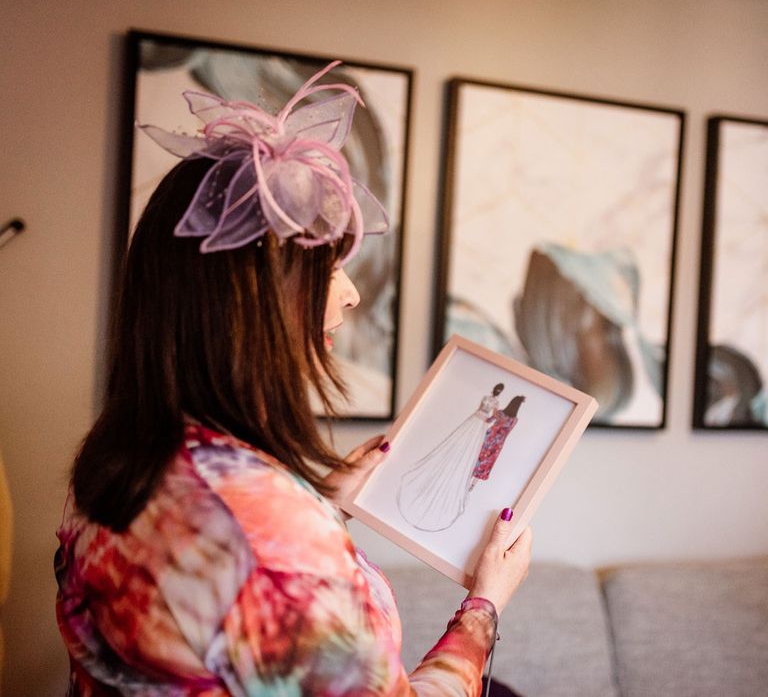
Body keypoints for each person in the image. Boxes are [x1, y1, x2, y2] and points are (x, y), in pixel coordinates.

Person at [55, 62, 532, 695]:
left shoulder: (115, 462)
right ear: (257, 299)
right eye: (329, 271)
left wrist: (324, 505)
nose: (353, 295)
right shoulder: (268, 533)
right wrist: (483, 607)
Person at [396, 383, 505, 532]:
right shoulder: (492, 401)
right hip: (478, 421)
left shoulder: (491, 400)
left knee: (468, 449)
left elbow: (488, 413)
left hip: (477, 421)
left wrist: (488, 418)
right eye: (498, 390)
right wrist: (490, 419)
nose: (497, 392)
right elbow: (491, 414)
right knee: (463, 446)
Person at [469, 396, 525, 491]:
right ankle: (472, 486)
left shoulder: (500, 413)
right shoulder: (514, 420)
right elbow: (507, 430)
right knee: (486, 464)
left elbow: (489, 420)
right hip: (498, 444)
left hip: (489, 438)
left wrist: (493, 411)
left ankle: (467, 479)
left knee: (478, 458)